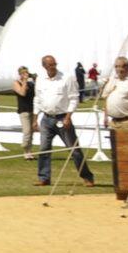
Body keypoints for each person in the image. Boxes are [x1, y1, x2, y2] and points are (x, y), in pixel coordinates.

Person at [33, 54, 95, 188]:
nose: (53, 67)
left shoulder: (67, 78)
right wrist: (35, 118)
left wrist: (68, 117)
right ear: (44, 66)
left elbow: (74, 98)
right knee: (43, 149)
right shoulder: (40, 79)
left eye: (54, 64)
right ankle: (44, 178)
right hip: (46, 119)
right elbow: (37, 99)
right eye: (50, 65)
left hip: (62, 118)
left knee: (74, 150)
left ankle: (87, 176)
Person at [100, 56, 128, 130]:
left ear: (127, 67)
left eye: (121, 66)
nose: (118, 69)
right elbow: (107, 98)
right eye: (116, 67)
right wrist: (105, 117)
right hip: (113, 122)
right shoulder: (113, 80)